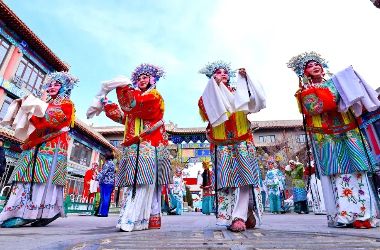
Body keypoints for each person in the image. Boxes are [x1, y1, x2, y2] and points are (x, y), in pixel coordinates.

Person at [287, 51, 380, 228]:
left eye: (317, 64)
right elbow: (316, 107)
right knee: (337, 175)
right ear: (305, 72)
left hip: (348, 132)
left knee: (357, 171)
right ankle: (343, 216)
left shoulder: (337, 83)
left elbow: (349, 97)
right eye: (309, 65)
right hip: (325, 136)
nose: (315, 66)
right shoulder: (303, 92)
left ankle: (364, 216)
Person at [93, 63, 171, 232]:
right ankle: (140, 219)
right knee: (135, 183)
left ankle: (131, 219)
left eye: (145, 77)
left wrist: (123, 88)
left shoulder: (154, 96)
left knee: (142, 182)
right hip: (134, 147)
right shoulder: (136, 99)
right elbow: (126, 117)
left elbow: (134, 105)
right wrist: (108, 105)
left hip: (148, 146)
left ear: (152, 79)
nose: (141, 80)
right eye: (139, 78)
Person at [0, 72, 79, 228]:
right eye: (50, 84)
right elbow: (36, 121)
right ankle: (18, 210)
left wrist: (35, 108)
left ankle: (33, 212)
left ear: (64, 88)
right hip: (35, 143)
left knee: (42, 178)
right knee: (26, 174)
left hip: (52, 146)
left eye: (56, 84)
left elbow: (53, 120)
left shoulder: (67, 104)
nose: (52, 87)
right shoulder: (45, 103)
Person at [198, 60, 266, 232]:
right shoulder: (206, 96)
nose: (223, 74)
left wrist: (247, 80)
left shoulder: (238, 92)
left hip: (243, 140)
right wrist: (215, 89)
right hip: (222, 145)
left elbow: (252, 104)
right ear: (211, 77)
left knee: (245, 179)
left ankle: (239, 216)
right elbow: (207, 113)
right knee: (225, 181)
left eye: (225, 72)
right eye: (218, 72)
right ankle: (229, 216)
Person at [96, 152, 116, 217]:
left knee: (104, 198)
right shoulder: (113, 164)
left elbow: (103, 172)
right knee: (106, 198)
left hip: (105, 183)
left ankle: (103, 213)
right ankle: (102, 212)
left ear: (106, 157)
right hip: (110, 183)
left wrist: (96, 177)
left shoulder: (108, 163)